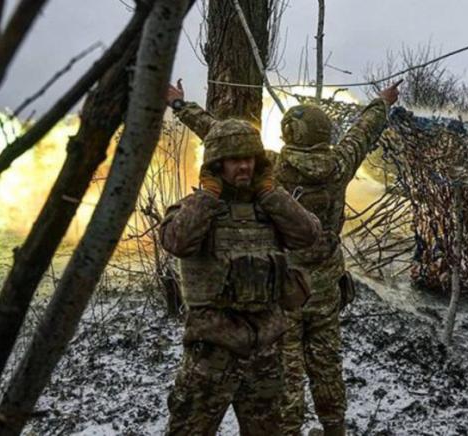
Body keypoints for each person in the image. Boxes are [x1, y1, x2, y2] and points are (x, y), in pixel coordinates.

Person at [165, 80, 400, 436]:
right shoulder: (339, 163)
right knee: (327, 366)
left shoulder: (274, 167)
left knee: (287, 377)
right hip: (324, 290)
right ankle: (334, 427)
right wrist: (382, 103)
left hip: (282, 290)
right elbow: (362, 132)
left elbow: (222, 136)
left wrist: (182, 107)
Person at [159, 114, 320, 435]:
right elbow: (177, 240)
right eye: (233, 160)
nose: (243, 166)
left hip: (265, 349)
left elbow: (307, 234)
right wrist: (207, 197)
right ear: (217, 165)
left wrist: (271, 194)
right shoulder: (196, 207)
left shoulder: (270, 207)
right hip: (212, 351)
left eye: (248, 159)